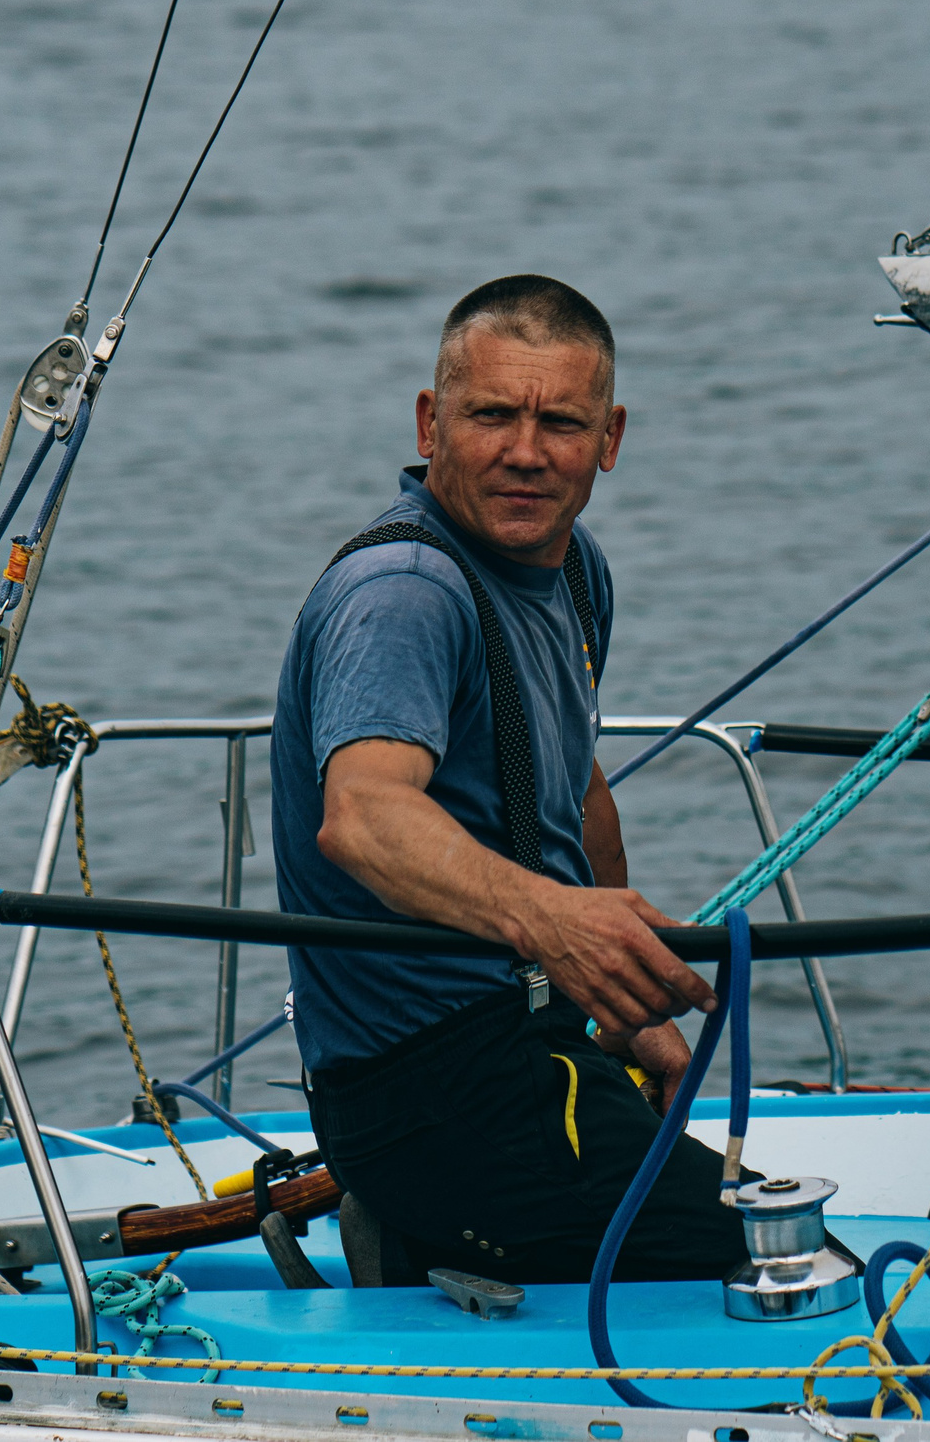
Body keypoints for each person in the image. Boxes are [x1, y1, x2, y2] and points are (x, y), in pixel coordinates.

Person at [275, 275, 745, 1286]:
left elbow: (576, 794)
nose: (525, 452)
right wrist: (557, 925)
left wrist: (633, 1009)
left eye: (560, 422)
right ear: (429, 421)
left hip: (540, 1043)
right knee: (764, 1271)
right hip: (429, 1088)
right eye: (491, 414)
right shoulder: (401, 593)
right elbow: (362, 817)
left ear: (609, 438)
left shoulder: (575, 571)